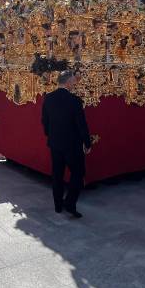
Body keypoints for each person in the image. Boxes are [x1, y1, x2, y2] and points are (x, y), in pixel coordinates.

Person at [42, 71, 91, 219]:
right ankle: (70, 203)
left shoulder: (48, 98)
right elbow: (81, 124)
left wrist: (50, 135)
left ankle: (58, 205)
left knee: (57, 174)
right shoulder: (74, 100)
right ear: (68, 82)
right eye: (73, 82)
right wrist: (87, 142)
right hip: (72, 145)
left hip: (55, 143)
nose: (74, 84)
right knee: (78, 173)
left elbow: (44, 121)